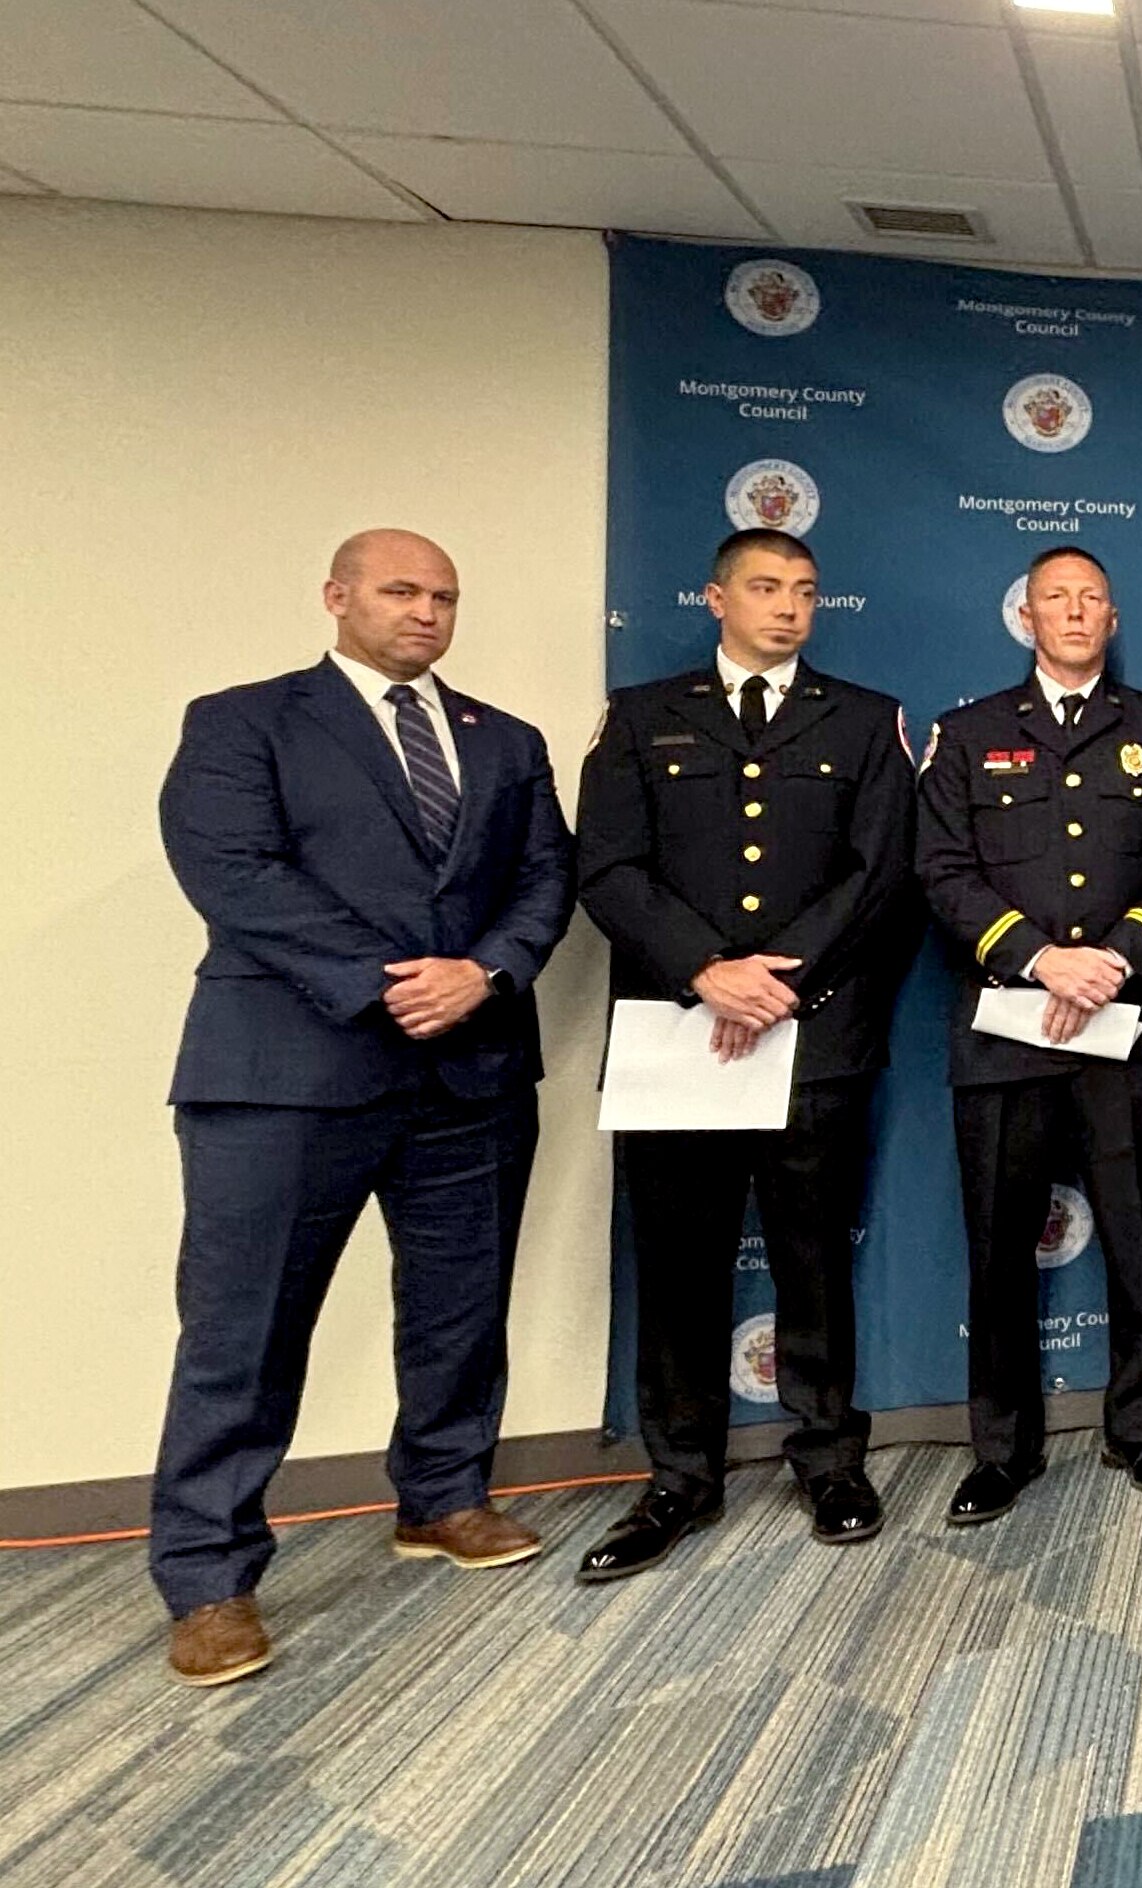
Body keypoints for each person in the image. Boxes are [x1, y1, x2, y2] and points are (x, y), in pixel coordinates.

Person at [150, 528, 576, 1686]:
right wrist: (389, 983)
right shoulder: (244, 722)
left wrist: (486, 971)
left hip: (470, 1069)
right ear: (337, 596)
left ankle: (443, 1496)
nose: (425, 611)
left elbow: (547, 876)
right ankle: (209, 1576)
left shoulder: (505, 740)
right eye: (400, 590)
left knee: (459, 1305)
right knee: (243, 1330)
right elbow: (233, 873)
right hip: (289, 1071)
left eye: (444, 595)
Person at [573, 527, 919, 1580]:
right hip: (680, 1036)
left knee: (814, 1257)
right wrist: (705, 971)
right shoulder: (642, 717)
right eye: (767, 587)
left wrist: (776, 981)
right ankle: (680, 1475)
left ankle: (830, 1458)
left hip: (812, 1034)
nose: (789, 607)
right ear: (716, 597)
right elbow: (608, 868)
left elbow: (879, 874)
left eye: (805, 591)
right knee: (679, 1265)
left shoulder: (864, 720)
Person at [915, 548, 1142, 1524]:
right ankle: (1001, 1450)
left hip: (1130, 1025)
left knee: (1140, 1241)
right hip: (1008, 1030)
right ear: (1027, 617)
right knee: (999, 1249)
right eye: (1058, 598)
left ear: (1113, 617)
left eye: (1093, 598)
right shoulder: (967, 734)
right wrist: (1041, 959)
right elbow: (941, 869)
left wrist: (1116, 959)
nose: (1077, 611)